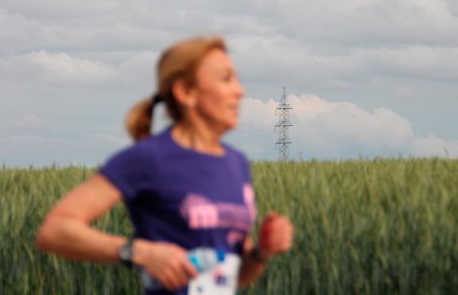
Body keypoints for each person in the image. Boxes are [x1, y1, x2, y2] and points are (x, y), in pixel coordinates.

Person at [35, 36, 294, 294]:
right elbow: (55, 230)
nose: (240, 91)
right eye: (226, 79)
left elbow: (230, 278)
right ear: (186, 92)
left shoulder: (236, 163)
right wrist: (138, 252)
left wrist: (261, 253)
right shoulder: (149, 158)